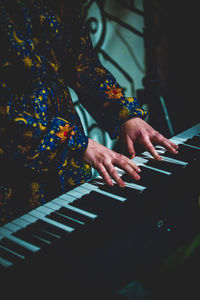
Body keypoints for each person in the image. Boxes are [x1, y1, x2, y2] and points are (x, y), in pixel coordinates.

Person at [0, 0, 178, 225]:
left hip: (67, 165)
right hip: (13, 174)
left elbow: (83, 66)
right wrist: (79, 144)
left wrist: (125, 114)